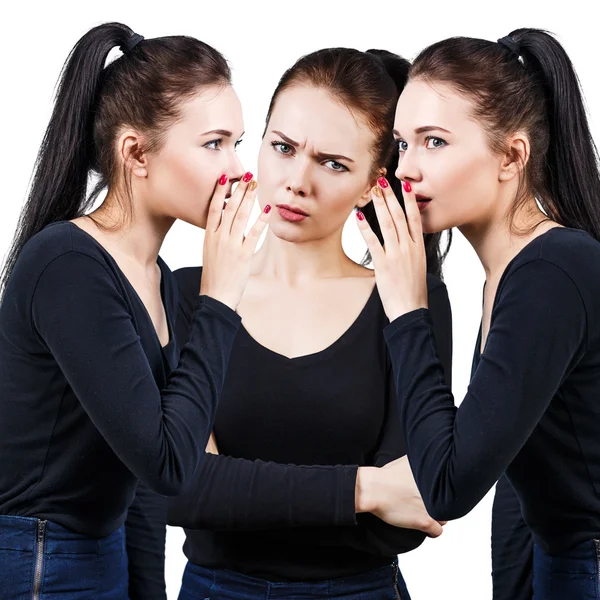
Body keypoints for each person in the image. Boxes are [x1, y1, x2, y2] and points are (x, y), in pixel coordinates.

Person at [126, 48, 452, 600]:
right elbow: (180, 491)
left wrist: (238, 489)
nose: (297, 181)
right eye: (282, 148)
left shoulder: (408, 300)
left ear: (375, 180)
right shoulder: (183, 293)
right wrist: (365, 489)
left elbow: (414, 511)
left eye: (333, 163)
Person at [0, 22, 268, 599]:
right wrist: (220, 298)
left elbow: (147, 480)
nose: (240, 170)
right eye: (215, 143)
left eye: (238, 142)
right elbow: (169, 462)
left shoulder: (160, 280)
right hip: (41, 558)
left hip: (102, 550)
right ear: (135, 153)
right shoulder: (69, 265)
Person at [356, 28, 600, 600]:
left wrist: (407, 308)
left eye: (435, 142)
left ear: (512, 155)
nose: (407, 169)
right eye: (402, 144)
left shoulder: (552, 273)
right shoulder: (514, 272)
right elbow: (520, 473)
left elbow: (446, 485)